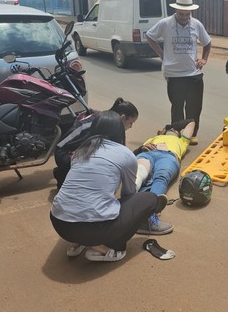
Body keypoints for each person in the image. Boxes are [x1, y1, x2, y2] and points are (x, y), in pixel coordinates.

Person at [50, 111, 169, 262]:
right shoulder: (124, 154)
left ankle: (76, 243)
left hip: (59, 223)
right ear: (119, 130)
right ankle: (108, 250)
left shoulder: (81, 151)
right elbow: (129, 194)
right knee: (148, 199)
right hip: (91, 230)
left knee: (84, 203)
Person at [145, 0, 212, 146]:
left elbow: (207, 42)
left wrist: (204, 59)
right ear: (176, 10)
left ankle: (192, 134)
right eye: (181, 14)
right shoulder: (165, 23)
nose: (183, 17)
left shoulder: (196, 24)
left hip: (193, 73)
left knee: (194, 106)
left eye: (186, 14)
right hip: (174, 74)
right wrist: (161, 54)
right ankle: (176, 133)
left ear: (190, 12)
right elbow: (150, 36)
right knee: (177, 106)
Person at [53, 98, 139, 190]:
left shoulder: (114, 128)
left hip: (80, 154)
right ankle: (63, 173)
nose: (130, 127)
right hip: (65, 154)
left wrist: (139, 151)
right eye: (131, 123)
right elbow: (63, 146)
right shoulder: (94, 124)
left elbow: (121, 155)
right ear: (122, 118)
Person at [134, 119, 195, 202]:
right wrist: (141, 148)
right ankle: (128, 200)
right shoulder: (154, 138)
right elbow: (137, 151)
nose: (172, 129)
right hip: (148, 153)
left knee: (161, 177)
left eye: (175, 130)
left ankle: (152, 205)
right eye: (169, 129)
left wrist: (172, 126)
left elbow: (191, 122)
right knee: (139, 172)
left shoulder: (183, 141)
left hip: (168, 156)